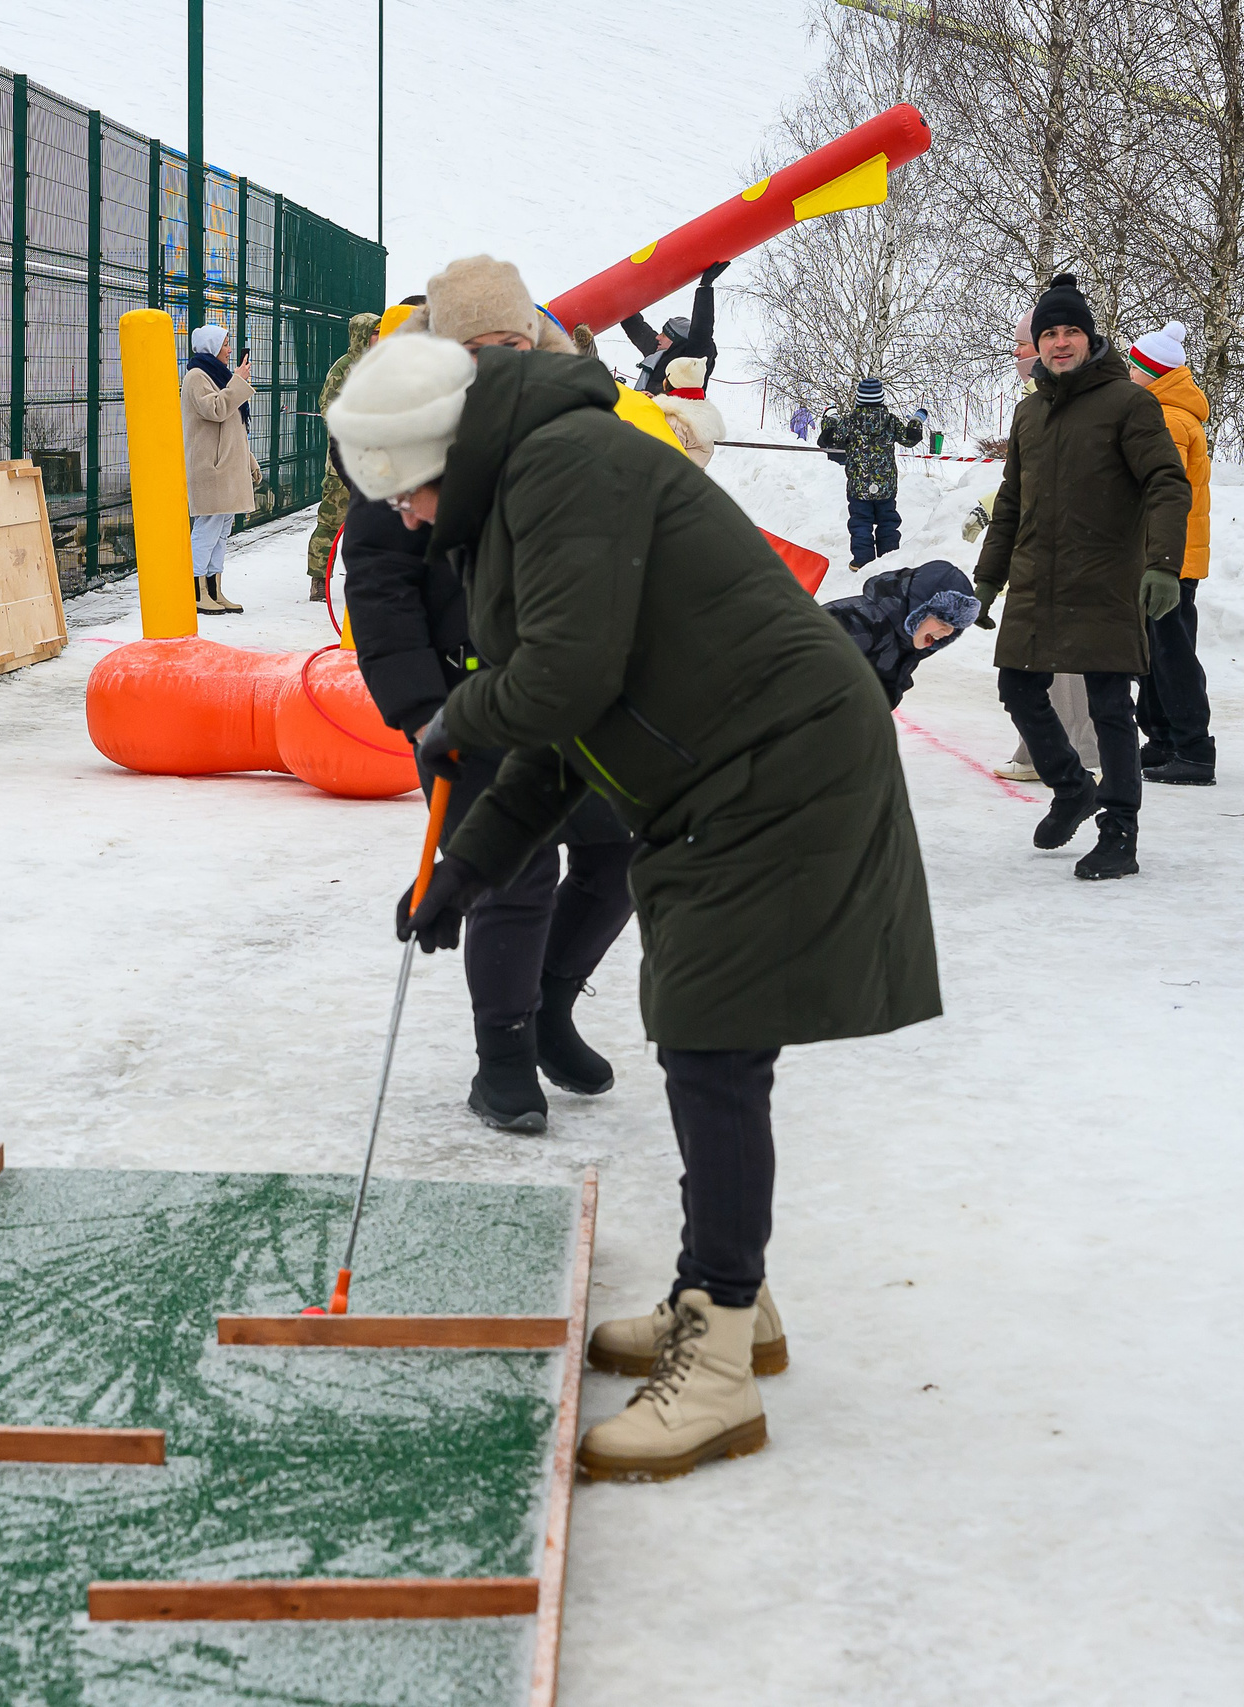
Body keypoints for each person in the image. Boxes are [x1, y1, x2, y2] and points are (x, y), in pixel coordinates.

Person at [328, 330, 940, 1482]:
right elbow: (569, 718)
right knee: (709, 1039)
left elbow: (561, 677)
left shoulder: (563, 467)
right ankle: (726, 1305)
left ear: (438, 455)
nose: (404, 519)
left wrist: (454, 722)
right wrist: (472, 862)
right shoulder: (529, 480)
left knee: (711, 1041)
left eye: (403, 493)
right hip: (728, 764)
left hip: (774, 764)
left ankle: (716, 1364)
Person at [342, 255, 637, 1133]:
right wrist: (419, 709)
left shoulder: (572, 425)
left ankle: (550, 1005)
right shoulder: (408, 432)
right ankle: (502, 1052)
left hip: (565, 687)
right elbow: (380, 580)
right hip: (460, 693)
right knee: (514, 866)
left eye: (514, 341)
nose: (501, 361)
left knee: (619, 847)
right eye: (479, 348)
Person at [973, 272, 1191, 881]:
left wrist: (1163, 565)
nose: (1060, 342)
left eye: (1071, 331)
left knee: (1109, 707)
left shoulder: (1128, 403)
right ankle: (1072, 788)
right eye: (1050, 333)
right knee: (1018, 689)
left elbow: (1166, 483)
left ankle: (1119, 831)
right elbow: (1010, 503)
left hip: (1103, 579)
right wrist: (987, 580)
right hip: (1035, 580)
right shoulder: (1028, 413)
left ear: (1091, 339)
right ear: (1037, 345)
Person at [978, 310, 1099, 783]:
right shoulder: (1034, 401)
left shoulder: (1062, 397)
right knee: (1047, 660)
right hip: (1044, 547)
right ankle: (1058, 748)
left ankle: (1061, 752)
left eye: (1022, 344)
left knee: (1057, 659)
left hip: (1065, 550)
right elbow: (1023, 482)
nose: (1016, 353)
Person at [1123, 320, 1217, 785]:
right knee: (1154, 652)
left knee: (1171, 653)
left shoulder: (1169, 420)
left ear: (1152, 372)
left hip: (1168, 558)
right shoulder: (1165, 413)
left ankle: (1193, 749)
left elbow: (1161, 489)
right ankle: (1162, 739)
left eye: (1133, 367)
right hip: (1165, 555)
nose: (1127, 374)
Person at [824, 559, 980, 708]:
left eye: (955, 627)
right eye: (942, 621)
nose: (948, 631)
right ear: (916, 609)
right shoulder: (853, 623)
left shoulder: (906, 645)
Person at [304, 311, 383, 604]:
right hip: (343, 464)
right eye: (374, 333)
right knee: (331, 522)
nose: (379, 338)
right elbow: (328, 407)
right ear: (362, 335)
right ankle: (319, 580)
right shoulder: (343, 368)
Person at [181, 323, 257, 616]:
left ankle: (213, 589)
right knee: (208, 528)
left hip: (225, 468)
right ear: (212, 346)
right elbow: (216, 410)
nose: (229, 349)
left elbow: (233, 427)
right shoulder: (196, 377)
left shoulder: (217, 375)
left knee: (222, 529)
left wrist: (249, 461)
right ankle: (195, 590)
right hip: (210, 468)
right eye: (225, 344)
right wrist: (238, 382)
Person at [815, 376, 923, 569]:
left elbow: (827, 439)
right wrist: (916, 420)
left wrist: (830, 418)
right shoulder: (891, 421)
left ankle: (862, 561)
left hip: (858, 486)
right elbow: (910, 438)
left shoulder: (850, 422)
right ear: (881, 399)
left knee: (860, 522)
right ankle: (889, 559)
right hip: (886, 487)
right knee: (888, 521)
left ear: (859, 399)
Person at [620, 262, 727, 396]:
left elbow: (702, 329)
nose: (658, 337)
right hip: (644, 408)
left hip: (673, 410)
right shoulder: (657, 352)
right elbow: (636, 327)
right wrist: (619, 298)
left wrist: (705, 287)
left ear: (676, 340)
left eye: (664, 335)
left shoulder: (693, 359)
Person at [653, 357, 725, 467]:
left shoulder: (674, 419)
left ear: (672, 381)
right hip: (690, 474)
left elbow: (662, 458)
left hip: (669, 475)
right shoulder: (703, 413)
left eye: (667, 376)